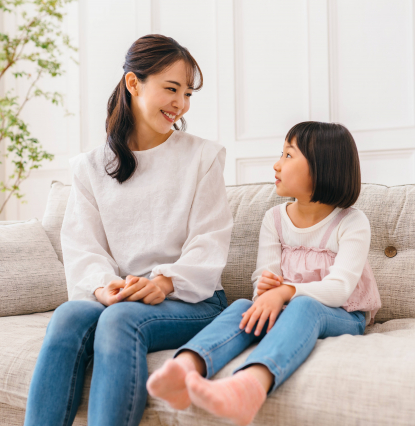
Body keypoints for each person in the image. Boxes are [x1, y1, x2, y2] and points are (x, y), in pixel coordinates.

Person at [24, 34, 233, 426]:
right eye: (171, 89)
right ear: (133, 84)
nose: (181, 104)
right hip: (122, 296)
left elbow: (209, 241)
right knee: (69, 315)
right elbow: (83, 246)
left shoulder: (203, 157)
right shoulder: (90, 167)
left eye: (187, 93)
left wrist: (164, 282)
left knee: (120, 320)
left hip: (193, 300)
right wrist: (104, 287)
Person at [147, 121, 382, 426]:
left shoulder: (351, 222)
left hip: (345, 314)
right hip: (287, 304)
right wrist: (266, 289)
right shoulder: (274, 218)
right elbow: (262, 282)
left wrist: (284, 291)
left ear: (322, 166)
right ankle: (184, 369)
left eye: (288, 155)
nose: (276, 164)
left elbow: (339, 289)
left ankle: (250, 386)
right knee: (243, 306)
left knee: (304, 305)